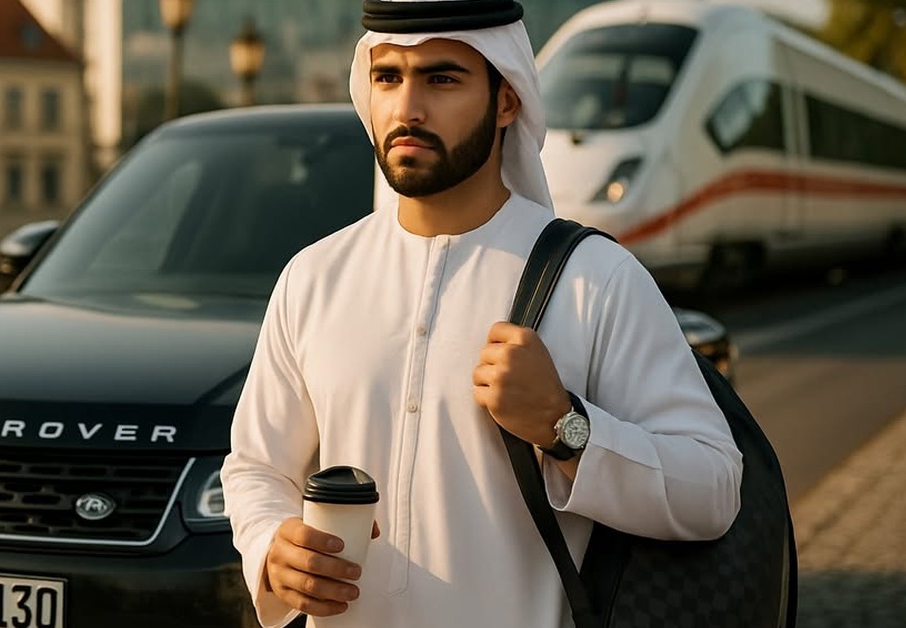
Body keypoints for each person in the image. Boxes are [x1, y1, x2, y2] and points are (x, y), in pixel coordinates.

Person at [220, 1, 744, 626]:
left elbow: (713, 489)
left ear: (507, 100)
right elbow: (256, 467)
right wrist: (270, 545)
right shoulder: (314, 277)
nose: (406, 108)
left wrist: (564, 426)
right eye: (388, 77)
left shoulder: (594, 278)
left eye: (442, 79)